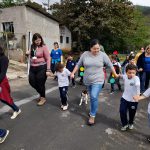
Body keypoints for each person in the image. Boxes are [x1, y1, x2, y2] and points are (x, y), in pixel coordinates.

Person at [70, 39, 118, 125]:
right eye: (94, 48)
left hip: (98, 79)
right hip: (87, 80)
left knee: (93, 95)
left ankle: (92, 115)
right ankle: (93, 110)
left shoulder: (103, 55)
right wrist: (73, 73)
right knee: (92, 97)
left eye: (98, 48)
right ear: (90, 48)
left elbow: (110, 65)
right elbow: (78, 64)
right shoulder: (85, 54)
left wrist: (115, 74)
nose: (96, 50)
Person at [26, 33, 51, 106]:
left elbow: (48, 58)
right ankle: (41, 93)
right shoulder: (32, 46)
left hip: (42, 67)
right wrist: (27, 54)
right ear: (33, 40)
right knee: (31, 81)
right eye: (36, 40)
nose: (38, 42)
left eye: (39, 40)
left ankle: (42, 98)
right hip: (32, 67)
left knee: (40, 83)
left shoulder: (43, 46)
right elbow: (30, 56)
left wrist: (48, 70)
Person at [0, 46, 21, 119]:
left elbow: (3, 73)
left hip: (2, 81)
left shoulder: (4, 59)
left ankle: (17, 109)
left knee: (5, 98)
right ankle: (16, 109)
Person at [119, 64, 140, 131]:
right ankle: (125, 124)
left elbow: (137, 84)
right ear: (126, 72)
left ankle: (131, 123)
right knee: (122, 111)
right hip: (124, 98)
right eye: (129, 73)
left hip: (133, 100)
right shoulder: (125, 76)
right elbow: (121, 76)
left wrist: (138, 96)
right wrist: (117, 75)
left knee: (132, 114)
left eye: (133, 73)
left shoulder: (136, 78)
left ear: (135, 72)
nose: (131, 74)